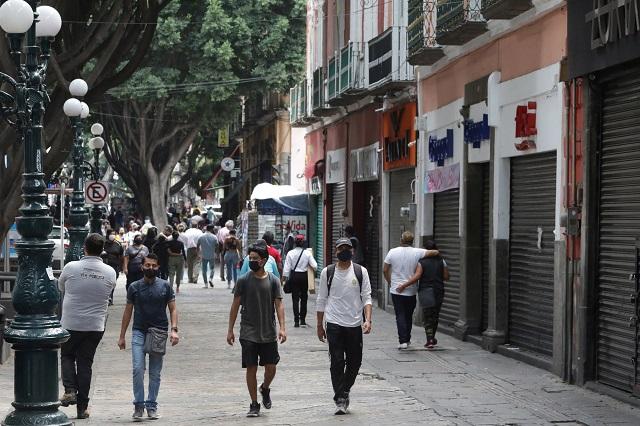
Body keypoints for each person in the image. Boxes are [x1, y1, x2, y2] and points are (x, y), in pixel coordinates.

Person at [58, 234, 117, 419]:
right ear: (102, 250)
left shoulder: (71, 267)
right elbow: (110, 290)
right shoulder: (110, 272)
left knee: (67, 355)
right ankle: (82, 408)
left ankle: (70, 389)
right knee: (85, 364)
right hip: (95, 326)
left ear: (85, 248)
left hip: (71, 323)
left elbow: (61, 288)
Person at [227, 244, 286, 418]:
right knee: (251, 368)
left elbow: (279, 304)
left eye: (255, 258)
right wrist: (230, 329)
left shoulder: (273, 280)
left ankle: (265, 388)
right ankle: (254, 403)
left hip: (268, 331)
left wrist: (282, 327)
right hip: (248, 331)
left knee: (271, 367)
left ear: (264, 260)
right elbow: (235, 305)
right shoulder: (243, 280)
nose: (252, 261)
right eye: (250, 258)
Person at [118, 254, 180, 421]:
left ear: (158, 267)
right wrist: (122, 335)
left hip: (159, 332)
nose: (150, 268)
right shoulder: (134, 287)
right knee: (138, 369)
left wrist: (174, 330)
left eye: (153, 265)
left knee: (155, 373)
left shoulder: (165, 286)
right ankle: (138, 405)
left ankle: (151, 405)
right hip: (139, 331)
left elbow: (173, 309)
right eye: (147, 265)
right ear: (142, 267)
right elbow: (127, 311)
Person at [316, 237, 372, 415]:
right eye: (341, 249)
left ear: (353, 251)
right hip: (334, 323)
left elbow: (367, 297)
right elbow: (321, 299)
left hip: (355, 324)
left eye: (347, 248)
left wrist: (368, 319)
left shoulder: (360, 271)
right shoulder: (328, 272)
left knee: (355, 362)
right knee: (337, 361)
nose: (344, 251)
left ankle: (345, 389)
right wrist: (319, 324)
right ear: (336, 251)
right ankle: (340, 398)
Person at [383, 231, 439, 349]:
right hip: (411, 290)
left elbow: (385, 269)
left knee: (400, 315)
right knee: (408, 315)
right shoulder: (417, 252)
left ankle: (403, 340)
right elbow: (435, 252)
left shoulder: (392, 252)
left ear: (401, 240)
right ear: (412, 241)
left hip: (396, 290)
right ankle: (407, 339)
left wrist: (390, 282)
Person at [397, 240, 449, 349]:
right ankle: (432, 337)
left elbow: (417, 276)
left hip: (426, 290)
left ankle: (430, 339)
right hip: (438, 290)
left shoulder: (422, 262)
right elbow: (446, 277)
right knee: (435, 315)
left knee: (427, 316)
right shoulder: (441, 261)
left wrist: (404, 285)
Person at [283, 234, 317, 328]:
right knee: (304, 298)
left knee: (295, 299)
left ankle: (296, 321)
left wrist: (284, 280)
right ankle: (302, 320)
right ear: (303, 243)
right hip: (304, 277)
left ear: (295, 243)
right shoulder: (307, 253)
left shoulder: (290, 253)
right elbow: (315, 266)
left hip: (294, 276)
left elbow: (286, 269)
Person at [103, 228, 124, 305]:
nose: (113, 235)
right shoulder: (103, 244)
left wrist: (122, 267)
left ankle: (110, 297)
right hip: (105, 266)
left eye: (114, 234)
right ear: (108, 235)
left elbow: (121, 256)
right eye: (111, 233)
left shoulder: (118, 244)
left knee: (112, 282)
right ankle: (107, 298)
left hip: (115, 266)